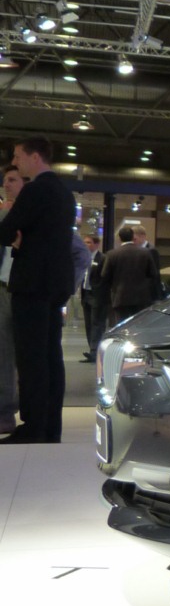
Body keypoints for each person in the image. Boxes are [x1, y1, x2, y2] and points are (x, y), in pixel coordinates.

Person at [0, 139, 77, 444]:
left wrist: (17, 238)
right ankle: (50, 427)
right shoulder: (64, 193)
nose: (15, 161)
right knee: (51, 357)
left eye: (18, 156)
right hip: (55, 284)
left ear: (35, 157)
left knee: (31, 359)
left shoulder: (34, 190)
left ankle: (33, 427)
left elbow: (7, 230)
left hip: (31, 283)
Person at [0, 164, 25, 434]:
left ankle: (6, 412)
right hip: (5, 287)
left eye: (12, 180)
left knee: (8, 353)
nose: (6, 184)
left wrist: (63, 288)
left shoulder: (31, 215)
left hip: (16, 288)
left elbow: (77, 252)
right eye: (5, 180)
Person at [102, 224, 164, 327]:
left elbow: (105, 275)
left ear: (120, 238)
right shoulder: (145, 253)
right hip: (141, 297)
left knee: (122, 325)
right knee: (139, 325)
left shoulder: (112, 254)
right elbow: (153, 274)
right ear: (132, 237)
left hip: (120, 296)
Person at [81, 232, 107, 362]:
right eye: (85, 242)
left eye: (89, 242)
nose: (86, 245)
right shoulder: (84, 258)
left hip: (97, 295)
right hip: (85, 294)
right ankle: (92, 350)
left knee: (97, 323)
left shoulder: (102, 259)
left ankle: (95, 351)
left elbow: (104, 278)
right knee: (88, 324)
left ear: (97, 244)